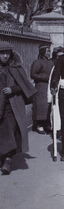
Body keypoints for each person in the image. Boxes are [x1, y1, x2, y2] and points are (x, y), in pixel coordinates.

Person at [0, 42, 37, 174]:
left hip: (12, 106)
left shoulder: (16, 68)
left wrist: (12, 89)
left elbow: (25, 85)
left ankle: (8, 160)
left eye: (7, 53)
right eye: (2, 53)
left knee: (10, 132)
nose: (4, 56)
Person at [29, 44, 54, 133]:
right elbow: (33, 74)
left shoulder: (51, 62)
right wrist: (45, 78)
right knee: (41, 106)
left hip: (49, 86)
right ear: (42, 52)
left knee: (48, 105)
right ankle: (39, 125)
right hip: (41, 87)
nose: (49, 53)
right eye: (47, 51)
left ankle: (47, 124)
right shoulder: (37, 62)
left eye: (49, 51)